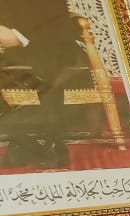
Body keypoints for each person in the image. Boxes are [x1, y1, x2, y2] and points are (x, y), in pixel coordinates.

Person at [0, 0, 80, 169]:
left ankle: (49, 141)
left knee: (47, 69)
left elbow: (53, 14)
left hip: (45, 40)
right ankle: (22, 141)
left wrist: (17, 36)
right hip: (7, 48)